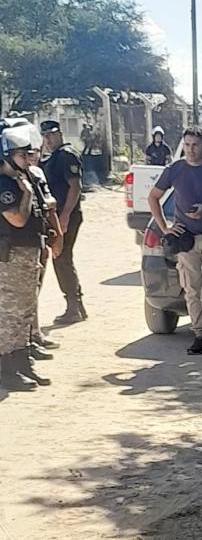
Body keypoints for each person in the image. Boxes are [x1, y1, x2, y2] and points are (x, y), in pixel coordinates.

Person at [149, 127, 202, 354]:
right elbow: (153, 197)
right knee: (192, 288)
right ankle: (199, 334)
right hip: (185, 238)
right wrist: (166, 228)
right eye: (188, 145)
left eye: (195, 145)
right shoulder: (175, 169)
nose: (191, 150)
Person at [0, 121, 56, 390]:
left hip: (28, 253)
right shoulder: (5, 184)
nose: (28, 158)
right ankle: (7, 370)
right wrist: (26, 195)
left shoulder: (23, 179)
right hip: (11, 257)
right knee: (10, 315)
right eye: (22, 154)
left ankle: (22, 362)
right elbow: (18, 220)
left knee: (25, 311)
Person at [40, 120, 86, 325]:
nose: (48, 139)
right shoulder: (53, 157)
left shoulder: (66, 155)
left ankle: (73, 307)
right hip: (57, 216)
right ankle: (77, 306)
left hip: (66, 215)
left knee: (62, 258)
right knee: (63, 258)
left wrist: (65, 215)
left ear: (59, 134)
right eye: (45, 136)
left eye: (51, 135)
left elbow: (75, 186)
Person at [27, 126, 62, 352]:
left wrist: (57, 234)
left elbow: (50, 207)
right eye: (28, 153)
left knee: (34, 290)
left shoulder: (38, 175)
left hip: (38, 240)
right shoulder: (9, 178)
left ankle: (34, 335)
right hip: (17, 245)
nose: (34, 156)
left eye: (36, 151)